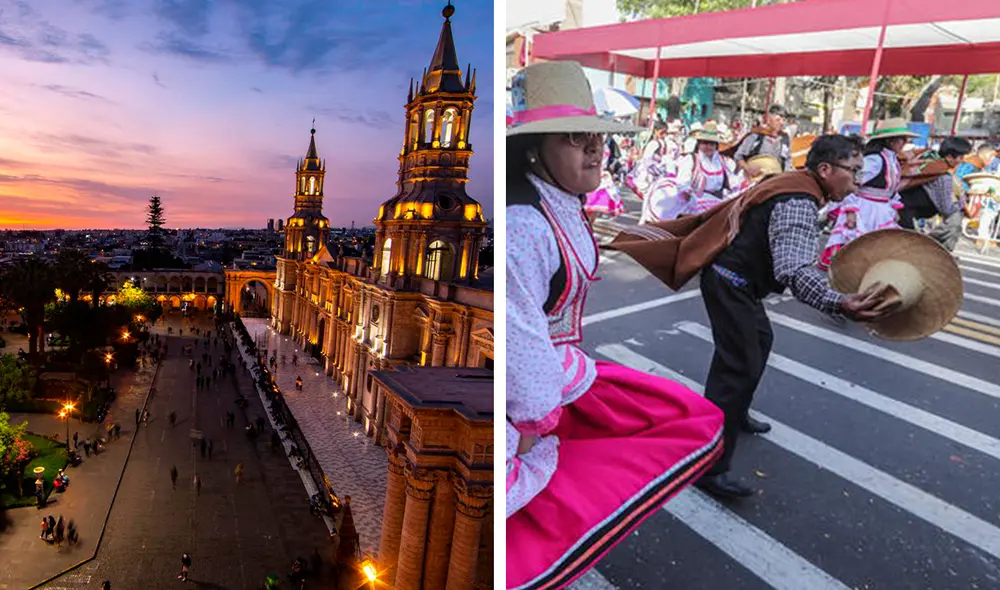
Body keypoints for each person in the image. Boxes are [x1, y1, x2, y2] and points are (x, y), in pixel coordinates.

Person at [506, 61, 725, 590]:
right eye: (576, 139)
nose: (595, 149)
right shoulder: (522, 227)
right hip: (535, 398)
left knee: (686, 420)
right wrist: (533, 433)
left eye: (597, 138)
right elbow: (521, 339)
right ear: (536, 149)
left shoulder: (557, 205)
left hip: (560, 379)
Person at [609, 134, 901, 498]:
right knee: (738, 368)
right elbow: (792, 268)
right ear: (825, 170)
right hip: (731, 283)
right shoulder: (799, 199)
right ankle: (709, 465)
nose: (859, 180)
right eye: (853, 171)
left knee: (759, 343)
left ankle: (736, 413)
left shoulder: (795, 183)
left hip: (733, 280)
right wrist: (836, 302)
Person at [820, 118, 916, 270]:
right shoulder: (875, 160)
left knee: (874, 255)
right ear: (890, 141)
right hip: (865, 211)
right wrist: (850, 211)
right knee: (857, 251)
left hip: (882, 212)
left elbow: (891, 190)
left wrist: (894, 208)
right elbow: (851, 184)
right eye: (901, 139)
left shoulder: (892, 160)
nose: (904, 143)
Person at [897, 136, 973, 252]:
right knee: (955, 217)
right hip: (905, 213)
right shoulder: (943, 177)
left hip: (901, 207)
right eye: (961, 157)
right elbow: (947, 209)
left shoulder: (929, 162)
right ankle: (934, 247)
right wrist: (962, 202)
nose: (962, 160)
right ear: (949, 157)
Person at [732, 104, 792, 177]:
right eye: (778, 120)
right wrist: (748, 169)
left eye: (784, 120)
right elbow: (738, 156)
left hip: (776, 182)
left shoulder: (784, 139)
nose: (782, 123)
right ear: (769, 120)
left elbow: (788, 162)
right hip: (755, 180)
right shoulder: (756, 136)